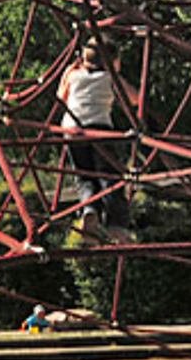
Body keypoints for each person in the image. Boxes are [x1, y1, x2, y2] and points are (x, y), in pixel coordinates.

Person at [56, 43, 136, 240]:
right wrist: (117, 76)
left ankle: (90, 210)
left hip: (72, 131)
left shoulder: (73, 75)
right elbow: (134, 99)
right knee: (110, 177)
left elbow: (61, 96)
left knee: (84, 178)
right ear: (112, 62)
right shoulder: (110, 78)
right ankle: (116, 224)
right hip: (99, 129)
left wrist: (69, 71)